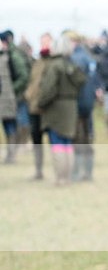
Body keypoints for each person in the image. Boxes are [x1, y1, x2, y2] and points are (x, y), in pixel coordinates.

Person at [37, 33, 87, 185]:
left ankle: (60, 178)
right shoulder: (71, 65)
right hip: (71, 107)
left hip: (56, 108)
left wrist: (41, 102)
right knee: (67, 143)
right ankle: (67, 177)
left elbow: (48, 89)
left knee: (57, 142)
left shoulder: (55, 65)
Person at [66, 30, 100, 181]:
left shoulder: (75, 59)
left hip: (78, 105)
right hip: (88, 104)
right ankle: (87, 173)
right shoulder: (88, 57)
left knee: (78, 140)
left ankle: (76, 173)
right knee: (86, 138)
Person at [23, 32, 52, 180]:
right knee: (36, 140)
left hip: (49, 108)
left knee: (54, 140)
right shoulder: (37, 61)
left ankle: (60, 170)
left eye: (47, 42)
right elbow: (32, 82)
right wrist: (28, 94)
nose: (44, 44)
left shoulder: (53, 62)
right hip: (34, 107)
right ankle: (38, 169)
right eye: (42, 42)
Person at [0, 29, 31, 163]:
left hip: (11, 99)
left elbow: (23, 76)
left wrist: (12, 90)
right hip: (5, 98)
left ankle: (12, 154)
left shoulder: (13, 56)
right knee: (8, 125)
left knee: (12, 124)